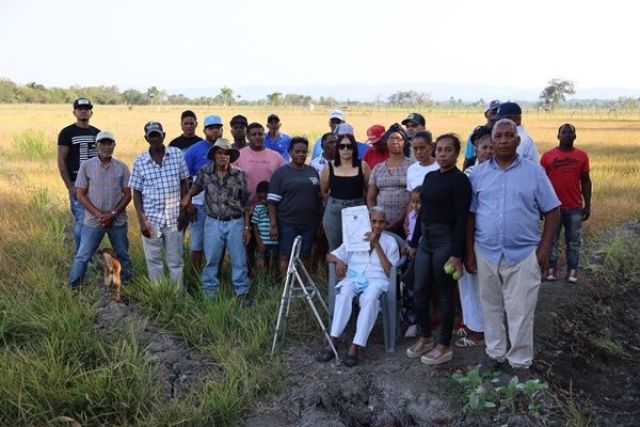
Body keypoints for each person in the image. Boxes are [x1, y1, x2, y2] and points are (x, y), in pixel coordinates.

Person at [466, 118, 560, 371]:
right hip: (485, 252)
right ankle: (495, 354)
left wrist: (544, 249)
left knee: (520, 310)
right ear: (491, 141)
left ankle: (519, 363)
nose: (504, 140)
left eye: (510, 136)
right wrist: (469, 253)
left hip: (523, 254)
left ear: (518, 141)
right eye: (499, 136)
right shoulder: (478, 174)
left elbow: (552, 210)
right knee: (491, 307)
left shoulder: (533, 172)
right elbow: (471, 215)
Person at [405, 134, 472, 365]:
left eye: (448, 150)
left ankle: (444, 344)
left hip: (446, 241)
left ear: (456, 154)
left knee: (444, 295)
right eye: (440, 150)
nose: (443, 154)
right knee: (419, 290)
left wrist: (457, 254)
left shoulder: (460, 181)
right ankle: (425, 336)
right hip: (425, 240)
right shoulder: (430, 177)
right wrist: (414, 242)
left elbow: (462, 219)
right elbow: (421, 212)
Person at [318, 206, 400, 367]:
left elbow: (390, 272)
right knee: (345, 292)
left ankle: (355, 346)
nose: (377, 225)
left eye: (381, 222)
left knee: (370, 299)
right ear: (367, 221)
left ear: (385, 224)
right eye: (373, 221)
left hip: (377, 280)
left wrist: (377, 246)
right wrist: (339, 261)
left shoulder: (390, 243)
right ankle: (333, 339)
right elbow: (329, 256)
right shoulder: (355, 237)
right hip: (355, 278)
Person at [181, 139, 251, 301]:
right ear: (213, 155)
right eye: (219, 153)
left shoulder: (239, 174)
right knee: (211, 259)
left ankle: (242, 292)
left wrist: (247, 228)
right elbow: (196, 187)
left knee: (239, 260)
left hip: (235, 221)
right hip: (213, 221)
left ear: (230, 156)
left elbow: (245, 203)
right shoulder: (205, 172)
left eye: (226, 153)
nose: (223, 156)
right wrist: (188, 197)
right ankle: (210, 293)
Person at [129, 121, 190, 288]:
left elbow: (185, 183)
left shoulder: (176, 154)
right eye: (151, 135)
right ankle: (159, 294)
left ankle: (177, 297)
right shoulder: (140, 161)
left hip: (174, 219)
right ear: (146, 138)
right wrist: (142, 221)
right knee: (154, 261)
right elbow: (136, 194)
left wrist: (184, 212)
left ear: (164, 135)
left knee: (175, 261)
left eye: (158, 135)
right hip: (151, 220)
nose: (155, 139)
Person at [68, 131, 132, 290]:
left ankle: (129, 286)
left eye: (109, 143)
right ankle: (74, 287)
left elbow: (128, 194)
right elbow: (80, 194)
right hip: (93, 220)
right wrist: (99, 215)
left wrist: (112, 214)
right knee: (82, 255)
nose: (106, 147)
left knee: (123, 255)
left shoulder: (122, 167)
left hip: (117, 220)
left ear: (114, 146)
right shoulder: (86, 166)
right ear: (96, 146)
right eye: (102, 143)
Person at [454, 125, 494, 348]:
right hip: (469, 236)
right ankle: (472, 326)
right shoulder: (469, 175)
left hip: (487, 238)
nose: (488, 151)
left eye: (491, 147)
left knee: (485, 286)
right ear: (475, 150)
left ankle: (484, 329)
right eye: (483, 147)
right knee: (468, 284)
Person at [540, 123, 592, 283]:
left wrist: (587, 205)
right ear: (558, 136)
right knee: (551, 239)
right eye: (564, 132)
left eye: (571, 133)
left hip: (574, 207)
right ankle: (551, 269)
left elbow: (585, 181)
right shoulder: (547, 156)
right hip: (553, 207)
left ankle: (573, 270)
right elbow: (540, 183)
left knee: (574, 241)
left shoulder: (582, 156)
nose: (567, 135)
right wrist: (540, 205)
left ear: (575, 136)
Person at [267, 137, 322, 274]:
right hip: (287, 223)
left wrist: (319, 220)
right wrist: (273, 225)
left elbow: (318, 198)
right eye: (297, 151)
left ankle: (303, 285)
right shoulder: (281, 173)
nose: (301, 154)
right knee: (285, 255)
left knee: (305, 255)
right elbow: (272, 203)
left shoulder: (312, 171)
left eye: (304, 152)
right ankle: (285, 287)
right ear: (290, 152)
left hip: (309, 223)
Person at [57, 97, 100, 250]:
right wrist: (70, 186)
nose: (83, 111)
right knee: (82, 220)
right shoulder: (67, 133)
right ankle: (81, 256)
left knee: (95, 220)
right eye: (80, 108)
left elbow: (103, 159)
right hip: (77, 183)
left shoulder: (97, 133)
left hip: (96, 184)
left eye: (86, 109)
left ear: (91, 112)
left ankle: (91, 254)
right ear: (74, 112)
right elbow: (61, 160)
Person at [183, 115, 223, 274]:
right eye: (211, 128)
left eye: (217, 127)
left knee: (218, 245)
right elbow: (185, 178)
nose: (215, 131)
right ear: (205, 130)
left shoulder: (226, 149)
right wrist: (189, 203)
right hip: (199, 205)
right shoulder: (194, 150)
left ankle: (214, 278)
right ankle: (193, 280)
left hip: (220, 207)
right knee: (197, 245)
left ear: (222, 129)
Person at [320, 131, 370, 251]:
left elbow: (369, 189)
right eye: (342, 146)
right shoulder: (329, 167)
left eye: (349, 146)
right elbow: (324, 190)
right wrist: (332, 204)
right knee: (335, 249)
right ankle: (333, 270)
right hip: (334, 212)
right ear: (338, 149)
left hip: (357, 210)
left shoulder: (363, 166)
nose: (345, 149)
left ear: (354, 148)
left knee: (358, 247)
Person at [366, 124, 413, 234]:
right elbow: (370, 198)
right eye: (391, 138)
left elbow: (413, 197)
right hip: (381, 224)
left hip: (405, 223)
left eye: (398, 139)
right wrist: (376, 218)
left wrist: (399, 221)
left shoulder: (412, 167)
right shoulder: (378, 168)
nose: (395, 141)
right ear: (386, 142)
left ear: (404, 142)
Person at [236, 122, 286, 207]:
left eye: (260, 134)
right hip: (246, 208)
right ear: (247, 137)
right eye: (253, 134)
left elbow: (284, 179)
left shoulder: (276, 157)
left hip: (270, 208)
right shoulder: (239, 156)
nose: (257, 137)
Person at [462, 100, 500, 168]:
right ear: (485, 114)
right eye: (493, 113)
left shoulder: (503, 137)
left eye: (499, 113)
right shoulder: (476, 135)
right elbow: (468, 159)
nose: (496, 116)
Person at [251, 181, 278, 273]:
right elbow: (254, 225)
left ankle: (271, 282)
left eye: (265, 198)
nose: (263, 201)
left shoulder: (276, 209)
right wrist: (259, 242)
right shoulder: (258, 208)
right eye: (260, 198)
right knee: (260, 263)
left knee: (273, 263)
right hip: (262, 242)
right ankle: (262, 281)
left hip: (274, 242)